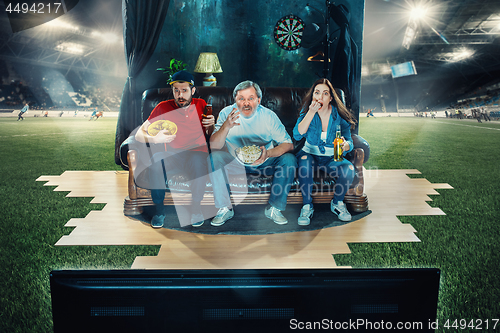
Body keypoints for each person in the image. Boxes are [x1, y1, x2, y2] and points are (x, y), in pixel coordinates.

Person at [208, 80, 297, 226]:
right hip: (235, 162)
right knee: (214, 157)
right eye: (241, 98)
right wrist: (226, 127)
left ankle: (274, 209)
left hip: (263, 161)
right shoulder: (226, 113)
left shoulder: (268, 116)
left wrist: (267, 154)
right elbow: (214, 146)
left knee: (289, 159)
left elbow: (288, 144)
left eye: (251, 98)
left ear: (259, 100)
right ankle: (224, 208)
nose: (246, 103)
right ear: (234, 100)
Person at [134, 71, 215, 228]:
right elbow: (139, 134)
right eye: (176, 90)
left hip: (196, 153)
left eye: (184, 90)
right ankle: (159, 211)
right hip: (172, 154)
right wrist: (155, 139)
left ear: (192, 90)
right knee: (156, 160)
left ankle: (196, 209)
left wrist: (211, 124)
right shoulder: (163, 107)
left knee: (199, 162)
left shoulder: (202, 105)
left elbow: (211, 134)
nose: (180, 95)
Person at [292, 78, 356, 225]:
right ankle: (307, 206)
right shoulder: (307, 111)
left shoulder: (338, 117)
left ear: (330, 98)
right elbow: (297, 134)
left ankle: (337, 203)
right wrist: (310, 112)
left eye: (325, 93)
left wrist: (346, 146)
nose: (320, 97)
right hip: (309, 155)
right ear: (312, 96)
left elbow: (349, 141)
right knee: (304, 163)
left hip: (332, 158)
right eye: (317, 93)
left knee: (349, 169)